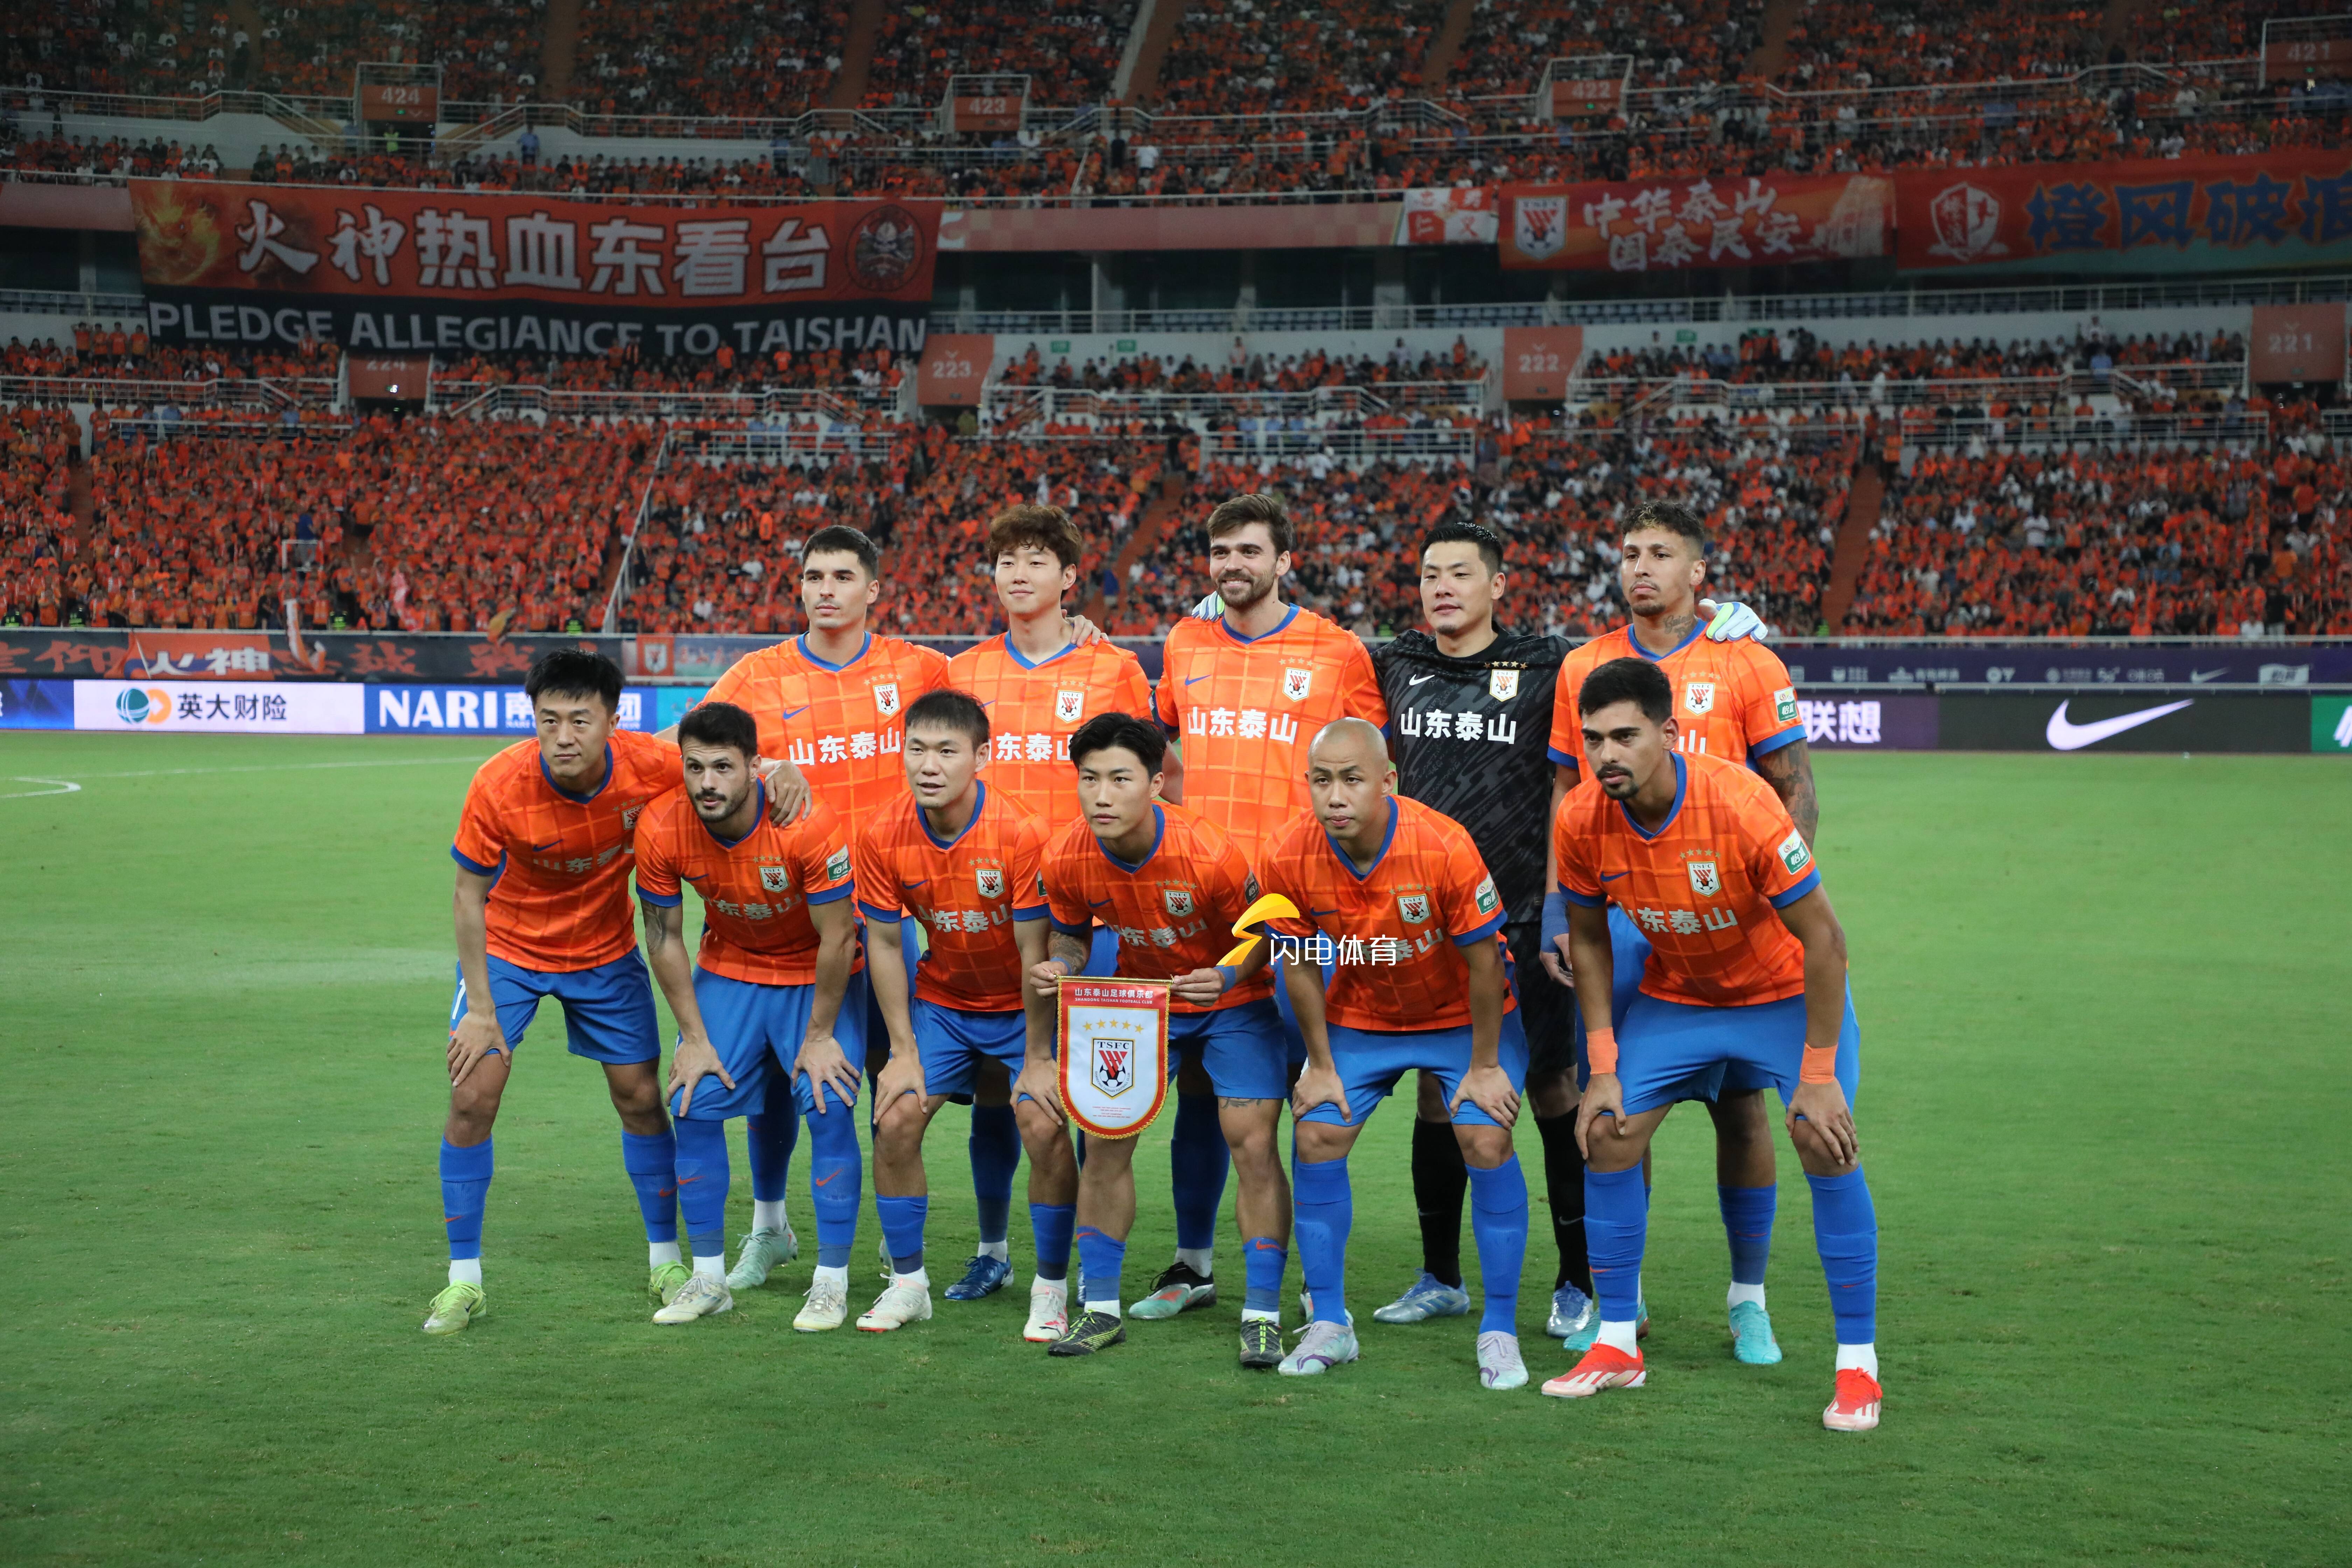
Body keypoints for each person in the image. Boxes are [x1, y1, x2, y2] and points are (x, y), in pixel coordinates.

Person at [1373, 518, 1767, 1348]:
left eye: (1460, 573)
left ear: (1498, 585)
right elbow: (1304, 656)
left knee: (1556, 1087)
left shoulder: (1551, 662)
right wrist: (1212, 609)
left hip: (1521, 915)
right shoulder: (1393, 661)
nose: (1442, 587)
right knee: (1440, 1090)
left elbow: (1639, 669)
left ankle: (1578, 1281)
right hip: (1423, 913)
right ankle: (1440, 1276)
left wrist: (1722, 617)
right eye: (1430, 573)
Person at [1542, 657, 1880, 1432]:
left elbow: (1826, 940)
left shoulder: (1740, 801)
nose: (1606, 755)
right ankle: (1617, 1343)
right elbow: (1588, 941)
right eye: (1594, 739)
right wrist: (1602, 1067)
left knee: (1822, 1138)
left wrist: (1819, 1073)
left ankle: (1858, 1367)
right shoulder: (1582, 817)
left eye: (1625, 736)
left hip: (1782, 996)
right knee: (1605, 1130)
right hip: (1681, 997)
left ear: (1669, 732)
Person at [1540, 498, 1808, 1364]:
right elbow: (1565, 793)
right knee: (1616, 1108)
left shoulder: (1745, 658)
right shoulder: (1583, 663)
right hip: (1620, 921)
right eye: (1629, 552)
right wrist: (1558, 909)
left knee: (1742, 1109)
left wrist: (1775, 900)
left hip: (1728, 920)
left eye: (1660, 553)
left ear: (1698, 571)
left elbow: (1793, 786)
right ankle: (1624, 1300)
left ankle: (1748, 1298)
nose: (1641, 567)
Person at [1148, 491, 1386, 1321]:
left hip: (1300, 911)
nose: (1233, 564)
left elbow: (1373, 769)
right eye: (1221, 551)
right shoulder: (1184, 642)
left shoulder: (1337, 651)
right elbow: (1161, 742)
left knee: (1307, 1098)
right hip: (1201, 908)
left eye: (1250, 550)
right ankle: (1193, 1262)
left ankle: (1313, 1282)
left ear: (1285, 560)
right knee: (1203, 1093)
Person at [695, 523, 950, 1291]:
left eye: (843, 576)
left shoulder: (920, 668)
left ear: (874, 589)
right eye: (814, 576)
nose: (827, 590)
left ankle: (894, 1240)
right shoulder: (756, 675)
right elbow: (696, 746)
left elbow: (998, 693)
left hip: (889, 917)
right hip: (789, 923)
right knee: (781, 1081)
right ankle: (770, 1226)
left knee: (888, 1078)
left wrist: (1076, 625)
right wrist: (769, 762)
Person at [1258, 719, 1531, 1390]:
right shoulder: (1287, 852)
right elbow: (1298, 962)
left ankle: (1499, 1329)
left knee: (1485, 1138)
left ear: (1388, 781)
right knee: (1317, 1132)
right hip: (1363, 1016)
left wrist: (1485, 1066)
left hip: (1463, 1019)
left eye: (1352, 780)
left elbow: (1486, 963)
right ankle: (1331, 1324)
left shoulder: (1443, 844)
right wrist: (1320, 1066)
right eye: (1322, 781)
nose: (1336, 796)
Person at [424, 650, 687, 1336]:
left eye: (579, 719)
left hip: (604, 953)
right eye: (549, 720)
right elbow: (467, 896)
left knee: (641, 1098)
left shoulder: (651, 766)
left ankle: (666, 1262)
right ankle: (463, 1279)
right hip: (508, 952)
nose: (563, 735)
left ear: (613, 720)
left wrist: (776, 770)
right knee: (472, 1094)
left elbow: (723, 771)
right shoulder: (499, 783)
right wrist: (481, 1010)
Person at [941, 504, 1160, 1302]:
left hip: (1088, 922)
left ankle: (1076, 1274)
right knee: (997, 1089)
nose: (1019, 573)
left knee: (1094, 1095)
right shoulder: (963, 674)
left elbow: (1141, 786)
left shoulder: (1114, 669)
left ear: (1069, 577)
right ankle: (994, 1249)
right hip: (989, 921)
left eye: (1037, 559)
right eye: (1007, 560)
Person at [1028, 714, 1292, 1367]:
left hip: (1233, 1002)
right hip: (1141, 1000)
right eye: (1089, 779)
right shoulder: (1065, 855)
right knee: (1105, 1136)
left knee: (1252, 1142)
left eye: (1120, 779)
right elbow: (1071, 932)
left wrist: (1225, 975)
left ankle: (1262, 1316)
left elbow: (1266, 934)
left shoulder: (1210, 852)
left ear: (1155, 783)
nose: (1102, 796)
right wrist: (1061, 963)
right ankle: (1100, 1310)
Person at [632, 701, 866, 1329]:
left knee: (829, 1099)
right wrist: (692, 1038)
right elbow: (663, 937)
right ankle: (708, 1279)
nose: (707, 783)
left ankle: (831, 1283)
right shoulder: (661, 826)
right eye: (695, 768)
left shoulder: (808, 824)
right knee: (692, 1099)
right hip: (732, 966)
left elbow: (839, 937)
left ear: (755, 767)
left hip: (814, 970)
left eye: (723, 768)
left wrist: (820, 1036)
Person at [856, 690, 1077, 1343]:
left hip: (1021, 1008)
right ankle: (908, 1286)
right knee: (895, 1117)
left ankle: (1051, 1290)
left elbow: (1036, 952)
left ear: (981, 757)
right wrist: (902, 1051)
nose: (929, 765)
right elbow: (885, 942)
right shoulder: (881, 833)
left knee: (1043, 1123)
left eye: (947, 751)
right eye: (917, 749)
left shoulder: (1021, 831)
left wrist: (1038, 1057)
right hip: (946, 1005)